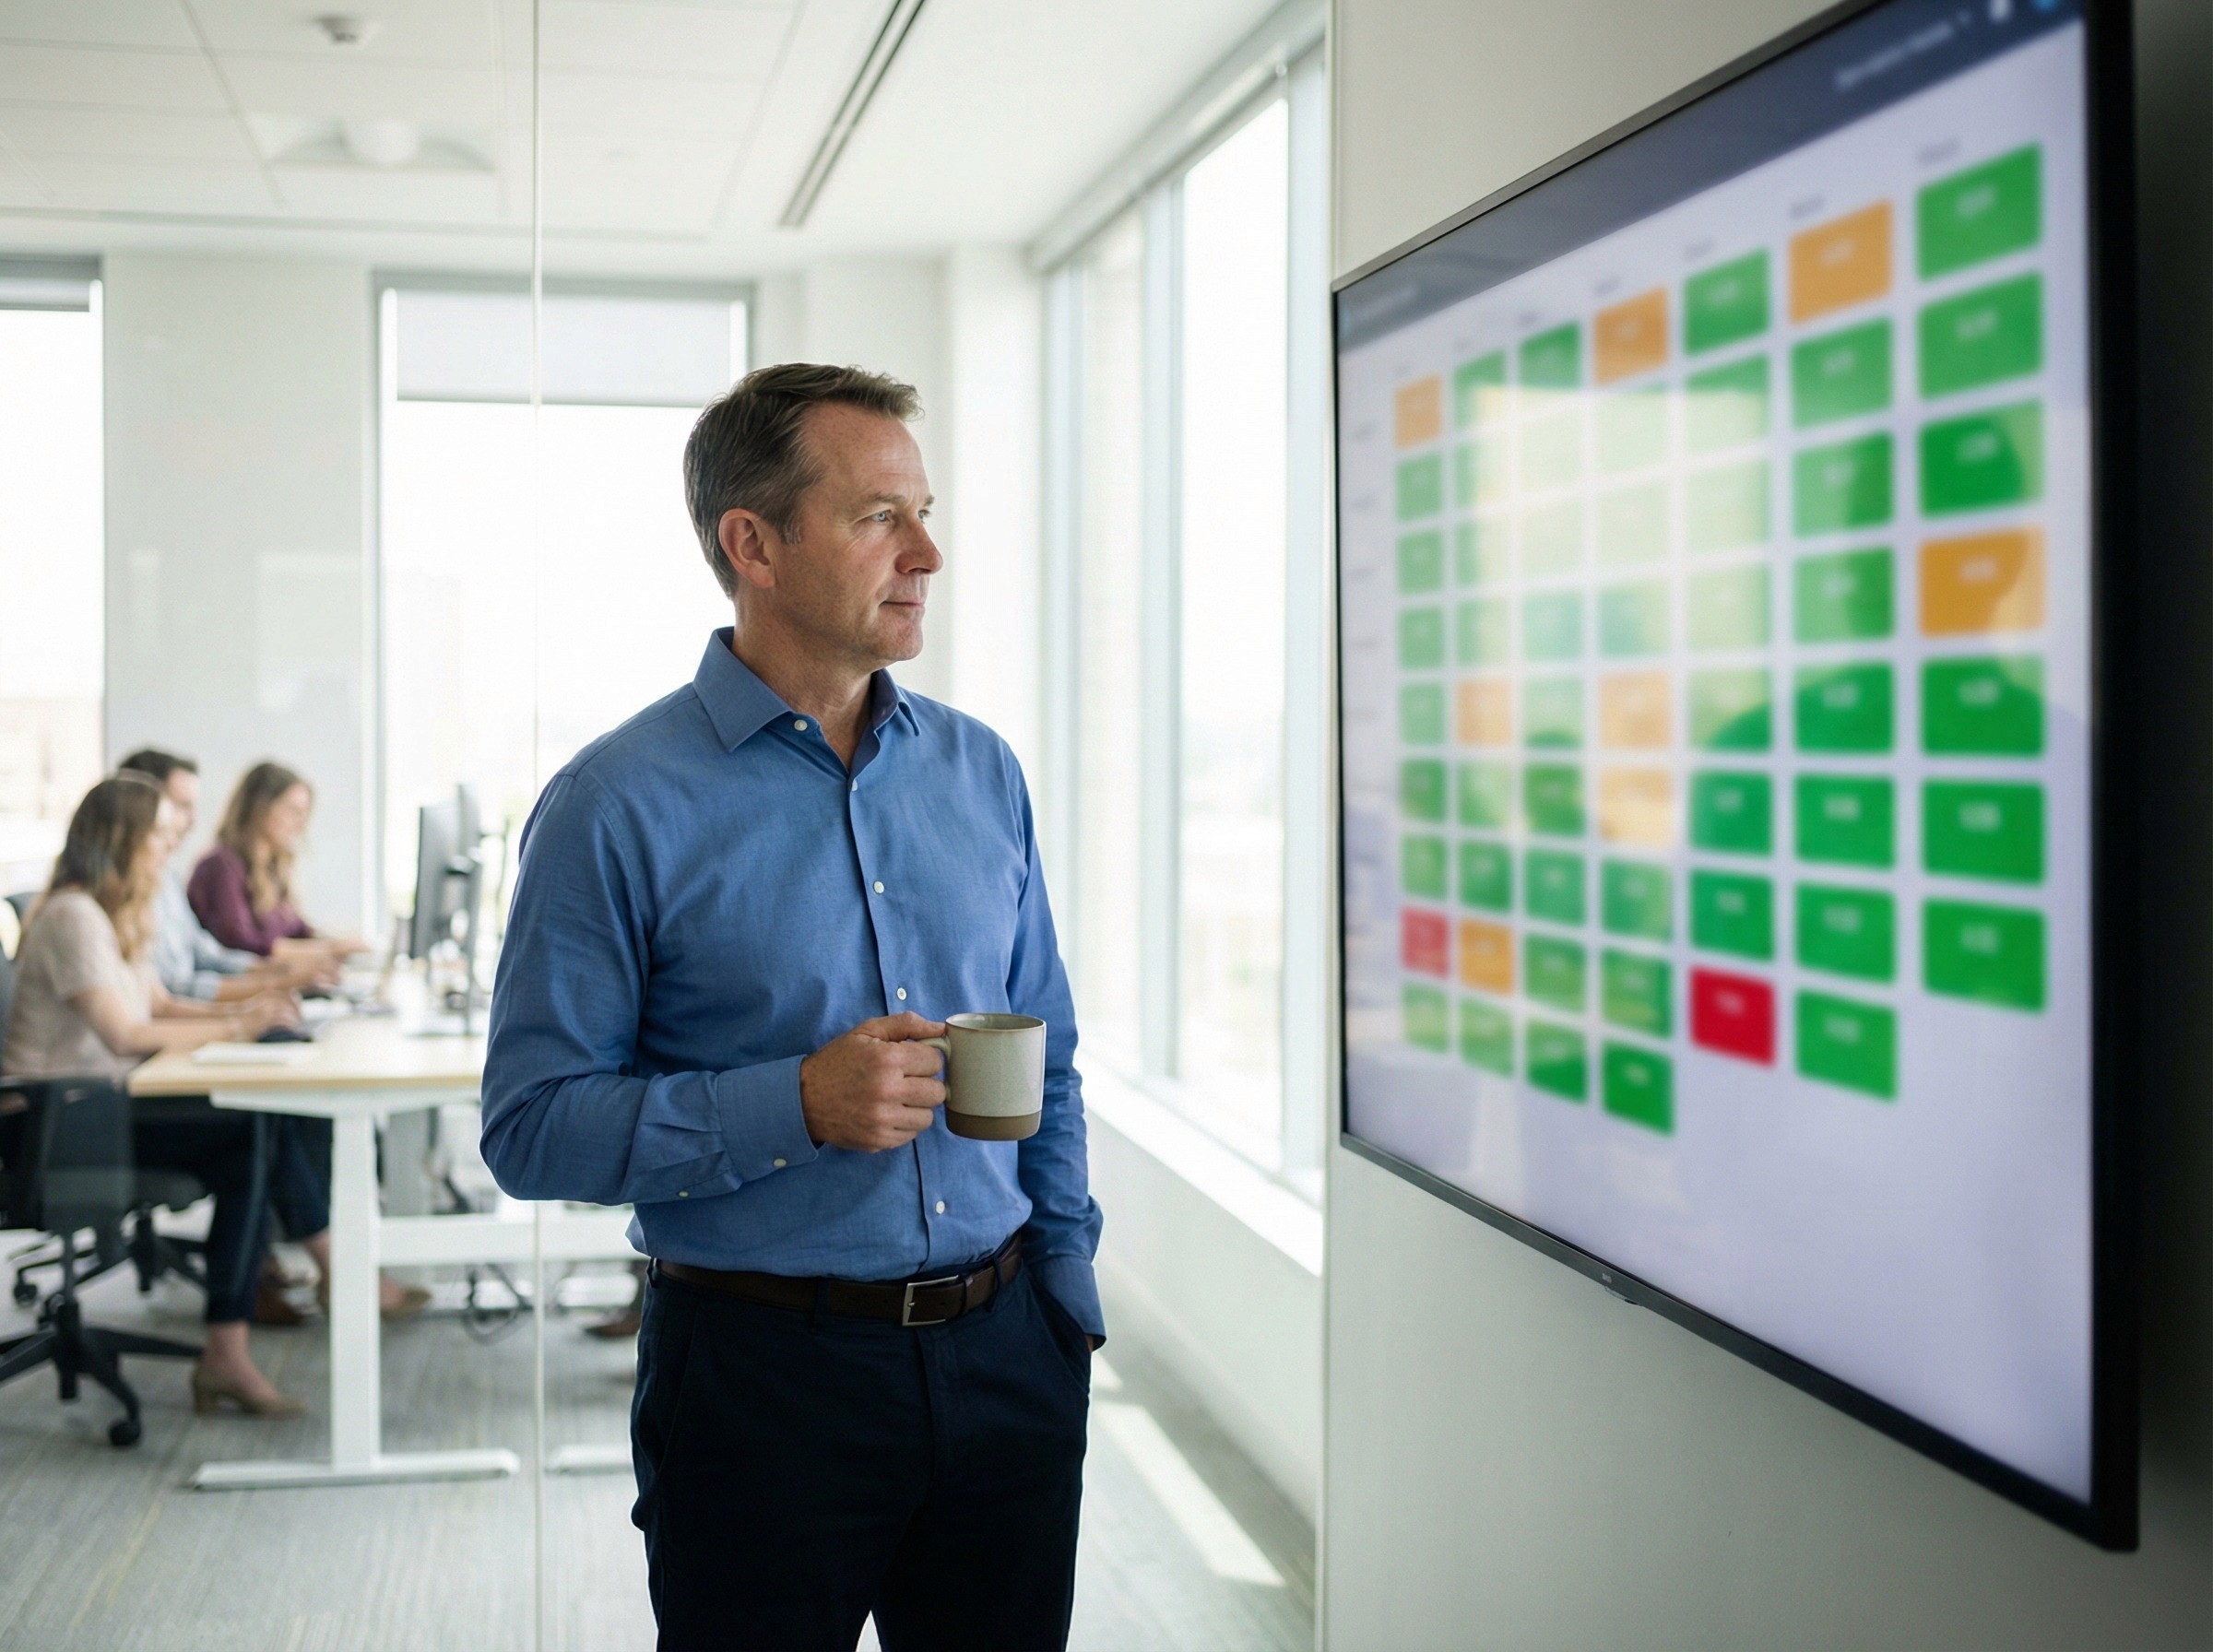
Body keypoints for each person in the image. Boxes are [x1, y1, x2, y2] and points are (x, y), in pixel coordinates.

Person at [481, 362, 1103, 1652]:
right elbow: (531, 1130)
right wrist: (797, 1105)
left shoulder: (982, 771)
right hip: (762, 1384)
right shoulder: (613, 805)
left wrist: (1065, 1288)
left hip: (1009, 1364)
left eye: (924, 513)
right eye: (880, 516)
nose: (927, 553)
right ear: (752, 546)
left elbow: (1049, 1051)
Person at [0, 774, 304, 1415]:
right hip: (52, 1128)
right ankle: (231, 1344)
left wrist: (246, 1012)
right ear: (123, 840)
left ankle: (230, 1340)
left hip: (94, 1109)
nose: (170, 846)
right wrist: (236, 1028)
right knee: (248, 1129)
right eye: (160, 835)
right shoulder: (74, 916)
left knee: (255, 1128)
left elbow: (158, 1004)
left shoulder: (111, 913)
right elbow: (125, 1033)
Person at [121, 749, 424, 1324]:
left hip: (182, 1031)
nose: (184, 823)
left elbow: (216, 954)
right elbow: (182, 982)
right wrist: (265, 991)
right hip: (137, 1073)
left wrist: (294, 970)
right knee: (279, 1106)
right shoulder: (200, 872)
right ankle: (329, 1263)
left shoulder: (169, 880)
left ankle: (316, 1260)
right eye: (174, 810)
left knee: (303, 1090)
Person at [187, 761, 366, 966]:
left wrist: (337, 942)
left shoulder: (270, 867)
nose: (301, 824)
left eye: (304, 813)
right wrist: (328, 950)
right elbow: (243, 943)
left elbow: (297, 930)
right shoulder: (220, 865)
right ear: (260, 808)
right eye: (293, 811)